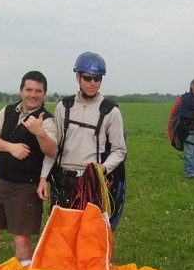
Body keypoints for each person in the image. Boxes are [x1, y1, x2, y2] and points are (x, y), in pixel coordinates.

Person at [0, 70, 57, 265]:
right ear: (21, 91)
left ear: (44, 94)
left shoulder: (47, 120)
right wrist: (10, 147)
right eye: (29, 89)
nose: (33, 94)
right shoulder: (7, 111)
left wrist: (39, 133)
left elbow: (52, 151)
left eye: (38, 91)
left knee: (21, 238)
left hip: (25, 186)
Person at [37, 52, 127, 209]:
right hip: (63, 181)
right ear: (78, 78)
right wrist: (43, 177)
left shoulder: (110, 111)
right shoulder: (64, 107)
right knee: (62, 232)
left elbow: (119, 150)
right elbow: (53, 147)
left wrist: (104, 168)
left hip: (92, 183)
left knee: (89, 233)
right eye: (87, 78)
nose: (93, 83)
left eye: (97, 78)